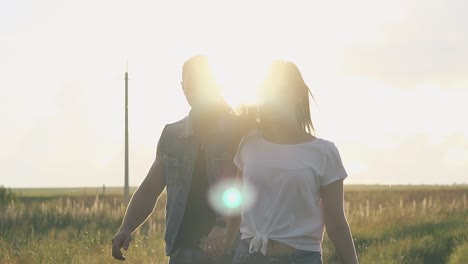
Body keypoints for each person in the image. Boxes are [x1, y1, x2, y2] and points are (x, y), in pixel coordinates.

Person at [111, 55, 247, 264]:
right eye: (190, 86)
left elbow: (247, 187)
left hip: (230, 251)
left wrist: (223, 225)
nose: (195, 92)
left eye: (201, 84)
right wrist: (126, 227)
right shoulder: (172, 136)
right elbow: (149, 189)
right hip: (182, 252)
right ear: (183, 87)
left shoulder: (239, 131)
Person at [225, 61, 359, 264]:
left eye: (282, 91)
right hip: (248, 257)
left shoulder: (324, 152)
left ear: (297, 95)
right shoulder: (249, 143)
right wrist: (224, 243)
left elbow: (337, 224)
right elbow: (235, 205)